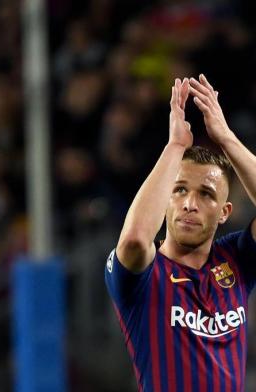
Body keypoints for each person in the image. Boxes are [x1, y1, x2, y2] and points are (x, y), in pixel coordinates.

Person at [105, 74, 256, 391]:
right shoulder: (143, 275)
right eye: (180, 190)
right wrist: (175, 147)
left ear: (224, 212)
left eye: (206, 194)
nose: (190, 203)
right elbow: (134, 239)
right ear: (166, 201)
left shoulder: (237, 259)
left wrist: (226, 138)